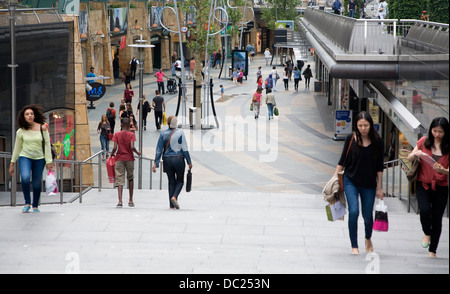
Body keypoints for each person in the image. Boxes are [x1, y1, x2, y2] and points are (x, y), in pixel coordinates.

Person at [334, 111, 384, 255]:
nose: (363, 128)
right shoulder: (351, 139)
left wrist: (379, 188)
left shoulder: (378, 142)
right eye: (360, 125)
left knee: (368, 216)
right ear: (356, 125)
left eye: (366, 125)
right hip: (351, 181)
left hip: (369, 183)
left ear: (370, 125)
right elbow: (342, 161)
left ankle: (368, 237)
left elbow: (380, 167)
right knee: (354, 211)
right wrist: (335, 180)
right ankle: (354, 246)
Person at [407, 117, 449, 258]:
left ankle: (433, 250)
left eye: (440, 132)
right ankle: (427, 232)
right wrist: (416, 153)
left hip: (441, 186)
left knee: (437, 218)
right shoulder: (424, 142)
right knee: (424, 210)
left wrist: (444, 170)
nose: (437, 134)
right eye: (435, 131)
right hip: (423, 184)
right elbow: (409, 157)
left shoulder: (448, 147)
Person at [9, 105, 53, 213]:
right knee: (25, 177)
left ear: (34, 115)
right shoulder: (20, 131)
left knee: (37, 183)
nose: (29, 116)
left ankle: (35, 205)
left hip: (40, 158)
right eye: (27, 114)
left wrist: (49, 161)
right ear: (23, 117)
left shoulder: (42, 127)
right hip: (25, 157)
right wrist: (12, 163)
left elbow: (47, 144)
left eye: (31, 114)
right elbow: (17, 147)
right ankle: (27, 203)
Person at [153, 116, 193, 209]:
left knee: (171, 181)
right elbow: (185, 148)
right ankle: (174, 197)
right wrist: (189, 161)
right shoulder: (180, 133)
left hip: (167, 160)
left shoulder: (163, 134)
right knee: (180, 181)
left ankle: (171, 205)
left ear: (168, 123)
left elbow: (159, 149)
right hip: (178, 159)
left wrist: (156, 163)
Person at [110, 117, 141, 208]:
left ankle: (120, 201)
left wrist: (112, 154)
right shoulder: (132, 134)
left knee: (119, 179)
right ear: (129, 125)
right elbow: (132, 147)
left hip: (119, 158)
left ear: (121, 124)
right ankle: (130, 200)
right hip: (129, 158)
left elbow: (115, 148)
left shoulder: (117, 134)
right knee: (130, 178)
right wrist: (137, 152)